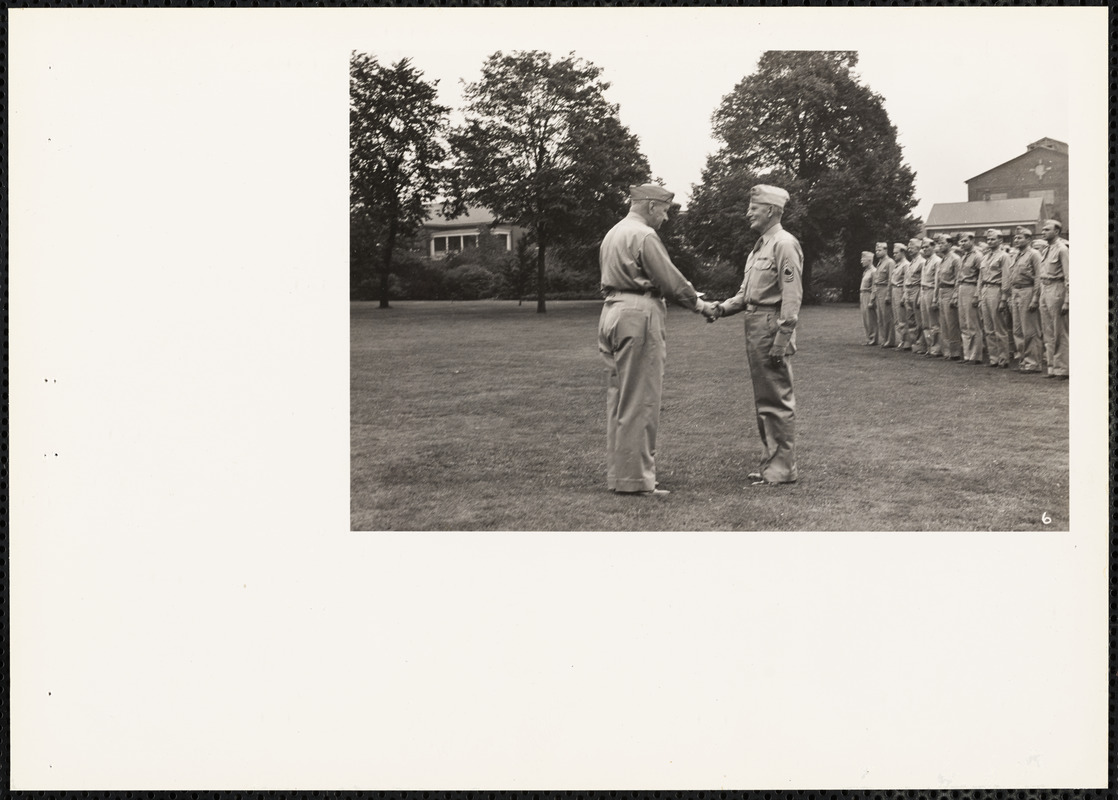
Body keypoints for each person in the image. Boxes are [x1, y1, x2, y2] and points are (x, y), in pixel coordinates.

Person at [598, 183, 719, 496]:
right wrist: (700, 305)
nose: (665, 218)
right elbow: (671, 281)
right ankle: (636, 482)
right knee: (642, 400)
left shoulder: (614, 232)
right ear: (651, 206)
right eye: (664, 210)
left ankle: (622, 477)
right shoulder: (644, 235)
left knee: (621, 400)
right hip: (638, 314)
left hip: (612, 311)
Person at [707, 184, 802, 486]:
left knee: (777, 400)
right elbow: (747, 294)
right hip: (756, 324)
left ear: (772, 211)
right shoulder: (761, 245)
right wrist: (720, 309)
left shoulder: (784, 244)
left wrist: (782, 338)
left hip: (771, 326)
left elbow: (791, 295)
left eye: (754, 208)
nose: (748, 212)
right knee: (765, 400)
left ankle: (782, 470)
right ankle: (772, 464)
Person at [1006, 226, 1043, 373]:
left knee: (1030, 330)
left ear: (1029, 239)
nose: (1016, 240)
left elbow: (1039, 277)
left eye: (1020, 237)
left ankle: (1033, 363)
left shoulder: (1034, 254)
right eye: (1015, 238)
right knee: (1018, 330)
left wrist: (1035, 298)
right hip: (1016, 291)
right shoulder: (1016, 255)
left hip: (1027, 291)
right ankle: (1023, 361)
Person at [1037, 219, 1069, 379]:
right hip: (1045, 288)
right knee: (1048, 330)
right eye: (1043, 230)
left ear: (1056, 232)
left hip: (1057, 289)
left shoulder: (1062, 250)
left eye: (1047, 230)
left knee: (1059, 331)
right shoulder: (1045, 250)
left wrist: (1067, 300)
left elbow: (1069, 277)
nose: (1043, 232)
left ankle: (1063, 368)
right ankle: (1052, 367)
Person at [977, 228, 1012, 368]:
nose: (990, 241)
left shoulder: (1003, 256)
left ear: (1000, 240)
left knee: (999, 327)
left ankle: (1003, 359)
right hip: (985, 290)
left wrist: (1004, 298)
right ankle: (994, 358)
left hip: (996, 290)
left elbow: (1006, 277)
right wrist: (979, 295)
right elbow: (981, 277)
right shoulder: (985, 257)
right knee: (988, 327)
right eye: (988, 239)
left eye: (993, 239)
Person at [954, 231, 985, 364]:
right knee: (964, 324)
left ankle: (975, 356)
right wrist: (956, 293)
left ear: (972, 241)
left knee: (972, 323)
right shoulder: (963, 256)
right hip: (962, 288)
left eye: (965, 241)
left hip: (971, 288)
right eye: (961, 241)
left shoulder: (977, 256)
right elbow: (959, 277)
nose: (962, 243)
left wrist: (976, 295)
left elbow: (981, 277)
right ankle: (967, 355)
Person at [933, 234, 962, 360]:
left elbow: (958, 279)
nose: (940, 245)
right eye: (939, 243)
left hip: (950, 291)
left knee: (952, 323)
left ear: (950, 245)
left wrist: (955, 295)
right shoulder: (942, 260)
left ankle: (955, 352)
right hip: (942, 290)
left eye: (943, 243)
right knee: (943, 323)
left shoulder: (955, 259)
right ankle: (947, 351)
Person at [917, 237, 941, 357]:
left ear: (933, 247)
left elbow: (937, 282)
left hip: (931, 291)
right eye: (923, 247)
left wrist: (935, 298)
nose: (925, 249)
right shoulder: (926, 261)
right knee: (925, 322)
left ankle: (936, 348)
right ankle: (929, 346)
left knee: (934, 322)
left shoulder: (937, 261)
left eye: (927, 247)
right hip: (924, 291)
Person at [902, 237, 925, 352]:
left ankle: (921, 344)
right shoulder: (912, 262)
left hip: (917, 289)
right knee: (910, 318)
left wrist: (920, 294)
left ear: (918, 248)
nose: (909, 250)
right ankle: (914, 343)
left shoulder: (922, 261)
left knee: (918, 318)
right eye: (909, 248)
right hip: (909, 289)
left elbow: (922, 279)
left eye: (912, 248)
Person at [872, 241, 895, 347]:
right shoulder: (880, 262)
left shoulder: (890, 262)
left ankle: (890, 340)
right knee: (881, 317)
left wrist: (889, 294)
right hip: (879, 290)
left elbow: (891, 279)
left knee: (887, 317)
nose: (877, 252)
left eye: (879, 250)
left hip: (885, 289)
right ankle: (884, 338)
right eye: (876, 250)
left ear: (886, 250)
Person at [889, 242, 909, 348]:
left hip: (900, 290)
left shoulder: (906, 265)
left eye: (896, 253)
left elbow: (906, 281)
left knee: (902, 317)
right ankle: (902, 339)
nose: (894, 255)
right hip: (894, 290)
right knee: (897, 317)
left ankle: (905, 341)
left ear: (902, 252)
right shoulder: (898, 265)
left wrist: (904, 295)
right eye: (893, 253)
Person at [859, 250, 877, 345]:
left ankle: (873, 338)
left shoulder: (874, 271)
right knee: (865, 318)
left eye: (863, 259)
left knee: (870, 318)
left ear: (869, 260)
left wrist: (872, 300)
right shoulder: (866, 271)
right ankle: (869, 338)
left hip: (868, 295)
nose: (861, 261)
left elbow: (874, 287)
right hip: (863, 294)